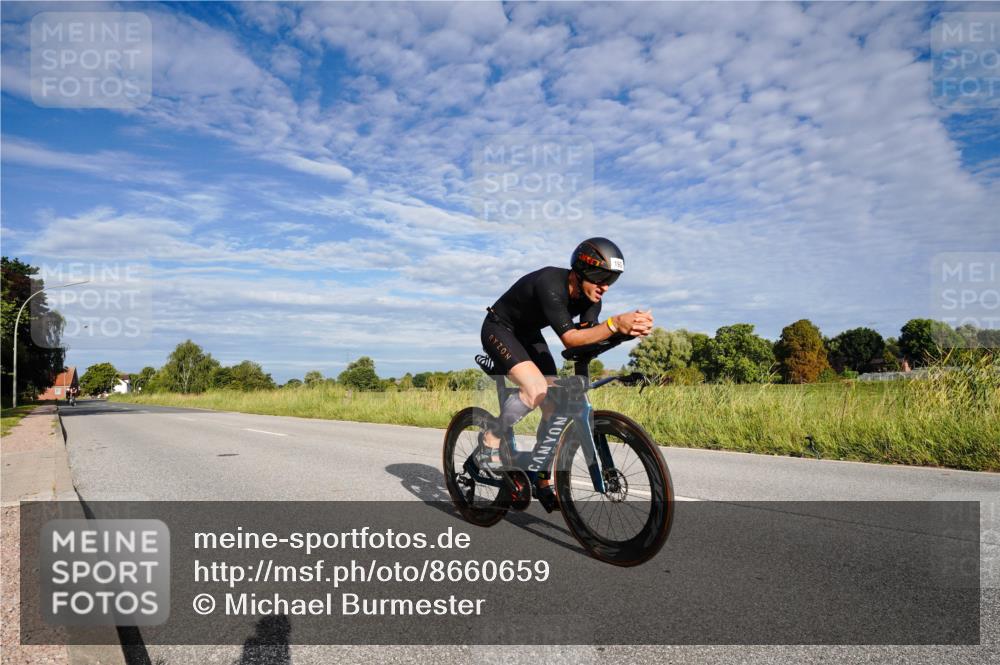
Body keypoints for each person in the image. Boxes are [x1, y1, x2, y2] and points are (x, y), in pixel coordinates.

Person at [478, 237, 653, 510]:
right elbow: (571, 339)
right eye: (600, 277)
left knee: (553, 405)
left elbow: (589, 340)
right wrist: (615, 324)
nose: (604, 287)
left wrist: (624, 334)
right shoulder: (551, 283)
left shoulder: (592, 301)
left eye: (612, 280)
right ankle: (491, 437)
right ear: (580, 271)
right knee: (535, 390)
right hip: (499, 328)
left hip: (529, 335)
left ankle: (541, 476)